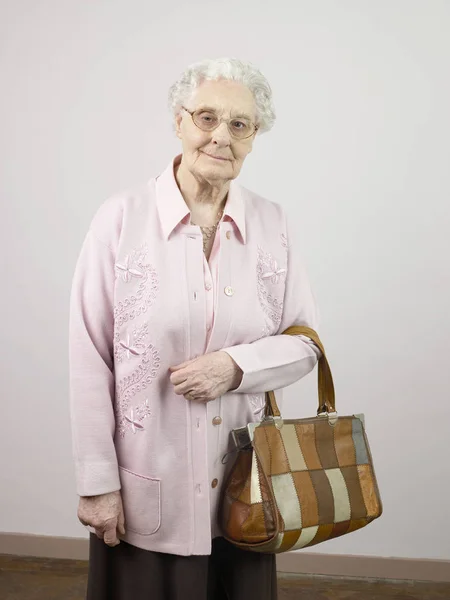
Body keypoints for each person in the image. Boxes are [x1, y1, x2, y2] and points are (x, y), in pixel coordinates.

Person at [69, 57, 321, 600]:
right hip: (144, 497)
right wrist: (97, 485)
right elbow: (88, 358)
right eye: (206, 117)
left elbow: (306, 347)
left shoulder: (274, 224)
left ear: (255, 136)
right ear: (179, 121)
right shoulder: (120, 218)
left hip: (247, 497)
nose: (220, 137)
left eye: (239, 124)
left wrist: (235, 368)